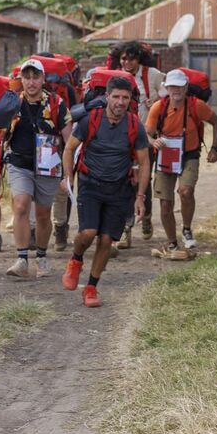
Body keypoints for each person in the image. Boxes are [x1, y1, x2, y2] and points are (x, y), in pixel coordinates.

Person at [60, 75, 150, 307]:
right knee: (89, 233)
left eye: (126, 98)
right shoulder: (91, 119)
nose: (120, 102)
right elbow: (69, 149)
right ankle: (76, 259)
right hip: (91, 184)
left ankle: (91, 287)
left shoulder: (134, 125)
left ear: (130, 100)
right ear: (107, 97)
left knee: (107, 239)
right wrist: (68, 177)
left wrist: (140, 197)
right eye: (116, 97)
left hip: (119, 188)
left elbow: (144, 162)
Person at [4, 58, 71, 279]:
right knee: (21, 206)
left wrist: (67, 173)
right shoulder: (13, 103)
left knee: (43, 215)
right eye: (27, 77)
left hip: (48, 165)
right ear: (21, 79)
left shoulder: (56, 103)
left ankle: (41, 256)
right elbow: (0, 133)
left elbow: (69, 139)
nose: (31, 82)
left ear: (43, 79)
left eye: (35, 77)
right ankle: (22, 259)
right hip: (19, 163)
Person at [145, 69, 217, 251]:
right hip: (165, 155)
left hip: (189, 154)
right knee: (165, 203)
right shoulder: (158, 107)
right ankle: (172, 242)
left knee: (186, 192)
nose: (176, 90)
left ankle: (187, 229)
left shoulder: (197, 106)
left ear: (186, 87)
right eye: (172, 86)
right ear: (167, 88)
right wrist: (153, 142)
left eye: (179, 86)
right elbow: (146, 133)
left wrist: (214, 148)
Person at [118, 41, 166, 243]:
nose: (127, 62)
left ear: (139, 59)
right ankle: (124, 230)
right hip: (121, 137)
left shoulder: (153, 75)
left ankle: (145, 216)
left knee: (143, 181)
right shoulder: (116, 76)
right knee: (123, 181)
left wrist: (155, 102)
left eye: (131, 58)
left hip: (146, 137)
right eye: (123, 58)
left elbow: (169, 97)